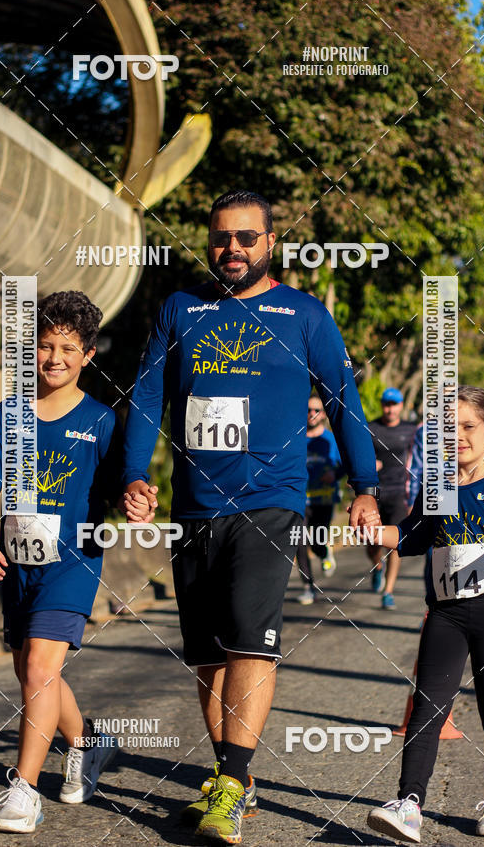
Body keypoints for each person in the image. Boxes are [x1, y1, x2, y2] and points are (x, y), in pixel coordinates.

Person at [121, 189, 379, 843]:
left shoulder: (303, 315)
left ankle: (233, 783)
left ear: (269, 244)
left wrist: (365, 484)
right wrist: (133, 473)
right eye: (221, 238)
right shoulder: (180, 310)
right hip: (194, 507)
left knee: (248, 641)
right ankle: (233, 777)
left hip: (270, 501)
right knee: (207, 658)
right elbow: (147, 396)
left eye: (246, 238)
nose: (231, 248)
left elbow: (343, 401)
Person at [0, 291, 150, 833]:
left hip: (73, 563)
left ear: (88, 354)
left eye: (68, 348)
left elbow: (122, 485)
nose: (54, 358)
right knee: (30, 670)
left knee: (42, 670)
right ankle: (88, 743)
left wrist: (136, 497)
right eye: (44, 346)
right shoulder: (10, 414)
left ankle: (24, 791)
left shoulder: (101, 421)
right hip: (18, 564)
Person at [362, 386, 484, 842]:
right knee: (426, 709)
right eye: (446, 429)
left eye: (468, 427)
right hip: (445, 615)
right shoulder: (437, 488)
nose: (456, 437)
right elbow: (414, 536)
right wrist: (376, 529)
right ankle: (408, 804)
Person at [366, 388, 417, 610]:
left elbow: (419, 459)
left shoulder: (411, 429)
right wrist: (369, 466)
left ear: (401, 405)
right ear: (382, 405)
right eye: (387, 403)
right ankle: (377, 566)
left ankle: (388, 591)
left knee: (396, 543)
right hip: (374, 492)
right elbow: (360, 455)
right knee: (372, 540)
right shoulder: (371, 428)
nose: (390, 408)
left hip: (400, 492)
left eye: (394, 404)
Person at [296, 394, 343, 605]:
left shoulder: (331, 440)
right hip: (299, 499)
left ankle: (324, 552)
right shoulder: (296, 438)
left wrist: (335, 474)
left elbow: (345, 465)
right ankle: (308, 587)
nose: (311, 414)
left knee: (315, 542)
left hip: (324, 498)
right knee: (299, 540)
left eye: (316, 410)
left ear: (323, 414)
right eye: (308, 410)